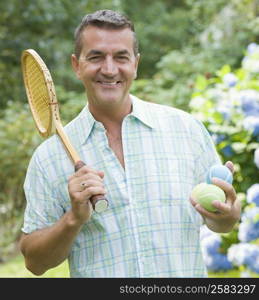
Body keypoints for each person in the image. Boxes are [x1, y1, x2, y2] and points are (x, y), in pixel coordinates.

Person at [20, 9, 241, 277]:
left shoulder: (186, 130)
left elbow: (220, 222)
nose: (110, 69)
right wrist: (73, 220)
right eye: (96, 57)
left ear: (135, 64)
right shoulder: (48, 158)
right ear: (76, 65)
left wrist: (226, 216)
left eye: (121, 57)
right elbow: (34, 262)